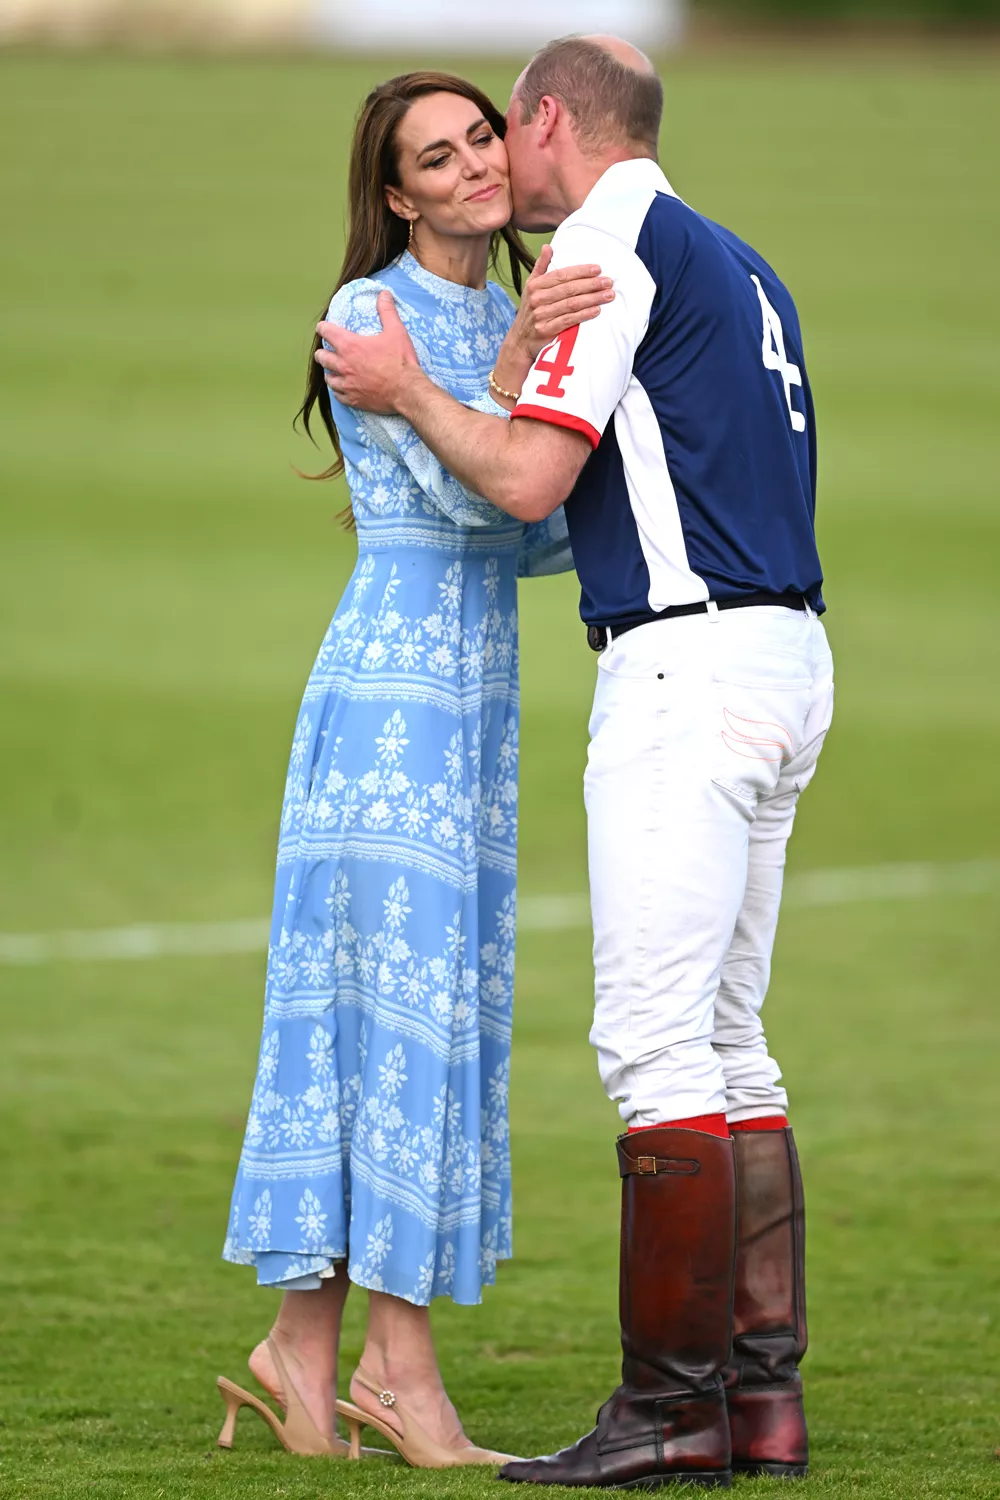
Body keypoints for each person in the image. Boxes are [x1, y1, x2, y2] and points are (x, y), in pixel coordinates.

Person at [316, 33, 834, 1489]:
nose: (497, 170)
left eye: (502, 137)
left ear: (547, 122)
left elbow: (535, 481)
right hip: (789, 656)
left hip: (685, 673)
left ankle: (672, 1413)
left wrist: (416, 391)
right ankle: (759, 1405)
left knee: (658, 1051)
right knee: (733, 1041)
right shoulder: (741, 258)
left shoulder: (607, 250)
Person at [219, 70, 613, 1467]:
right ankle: (403, 1380)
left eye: (481, 140)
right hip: (387, 702)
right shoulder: (366, 314)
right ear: (394, 193)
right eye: (434, 160)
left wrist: (570, 416)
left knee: (407, 1017)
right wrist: (507, 394)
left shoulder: (513, 310)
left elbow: (536, 521)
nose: (471, 169)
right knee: (384, 1021)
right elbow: (461, 490)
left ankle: (300, 1357)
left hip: (476, 701)